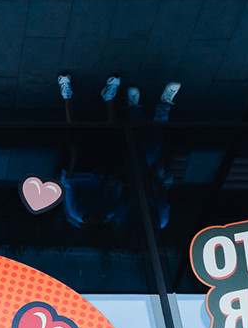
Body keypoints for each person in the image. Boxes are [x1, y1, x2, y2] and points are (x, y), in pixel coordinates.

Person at [56, 73, 179, 228]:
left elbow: (69, 183)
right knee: (134, 146)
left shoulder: (78, 211)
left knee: (76, 137)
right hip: (108, 174)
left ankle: (68, 96)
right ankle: (120, 102)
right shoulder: (113, 213)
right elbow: (117, 190)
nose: (98, 217)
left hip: (83, 174)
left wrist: (74, 158)